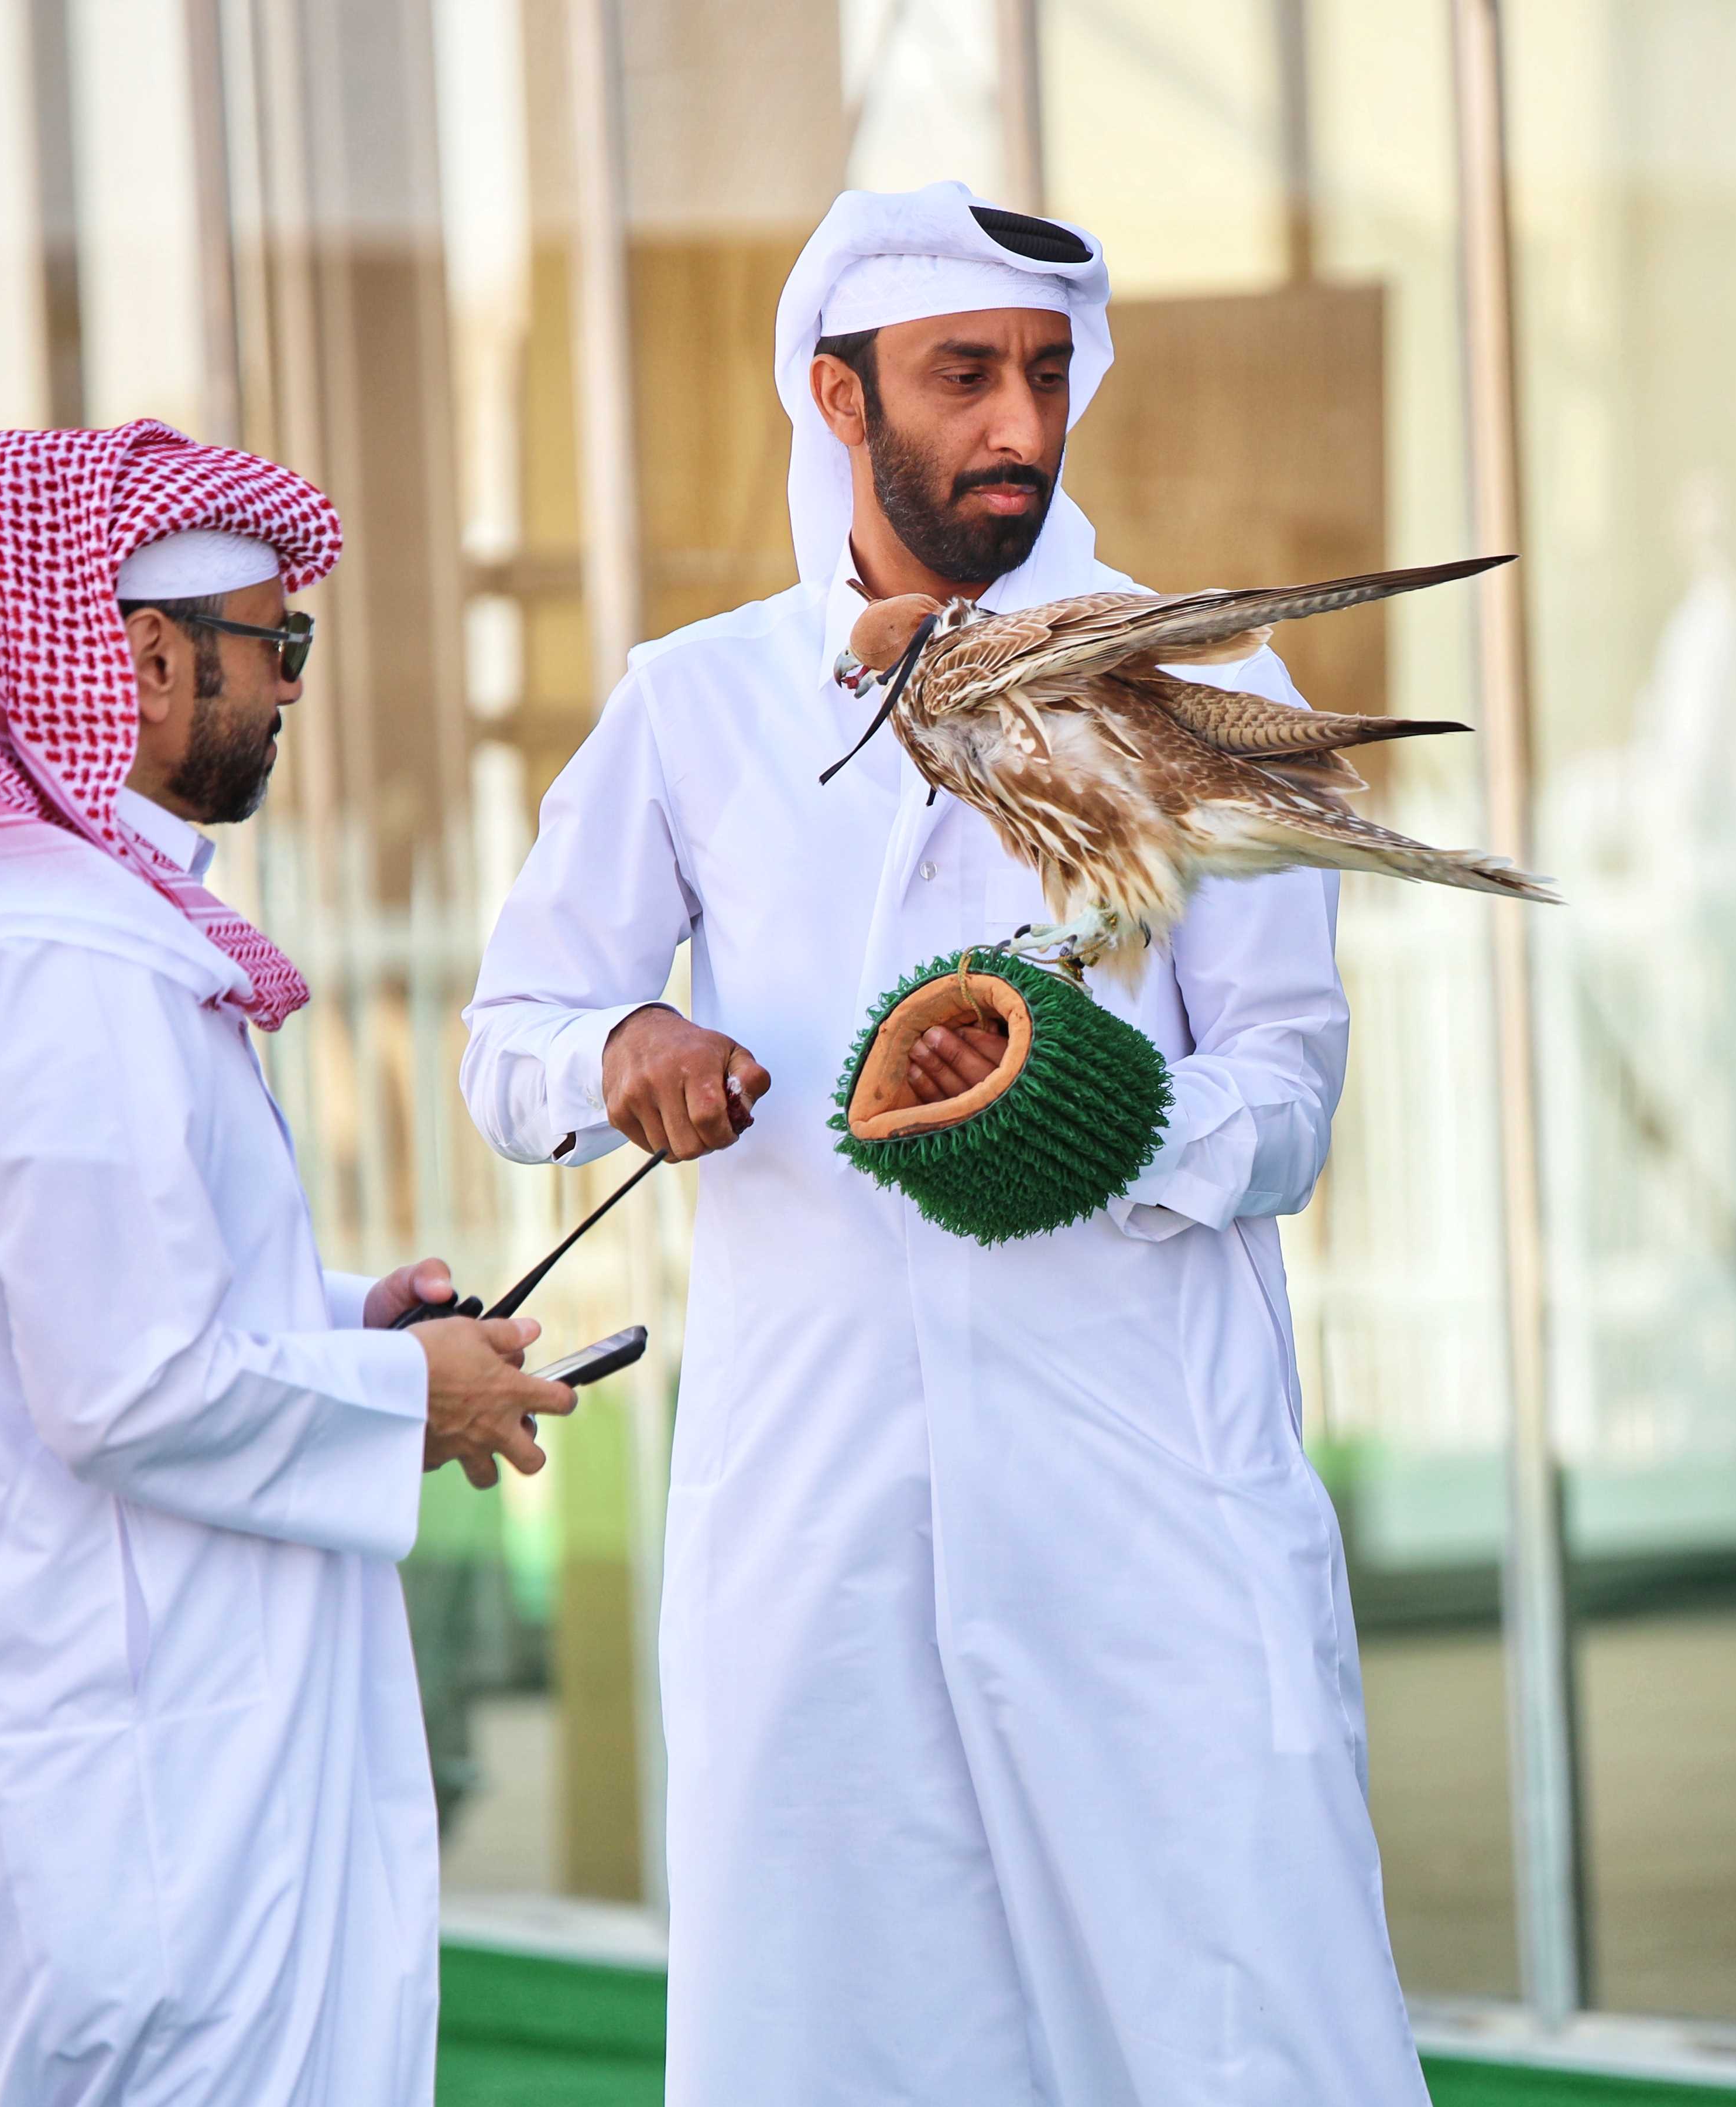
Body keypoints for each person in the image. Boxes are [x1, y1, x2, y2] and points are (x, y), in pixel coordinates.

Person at [460, 184, 1427, 2103]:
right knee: (843, 2035)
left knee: (1238, 2024)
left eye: (1046, 376)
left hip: (1141, 1486)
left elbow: (1290, 1100)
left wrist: (1088, 1099)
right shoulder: (699, 705)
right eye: (962, 376)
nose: (1015, 425)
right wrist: (624, 1049)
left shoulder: (1203, 685)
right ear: (838, 398)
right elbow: (510, 1041)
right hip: (816, 1505)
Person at [0, 422, 576, 2104]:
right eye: (273, 645)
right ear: (139, 659)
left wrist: (348, 1323)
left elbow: (42, 1303)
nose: (293, 687)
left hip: (91, 1711)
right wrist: (403, 1398)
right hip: (129, 1758)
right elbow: (127, 1384)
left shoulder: (6, 933)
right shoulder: (61, 963)